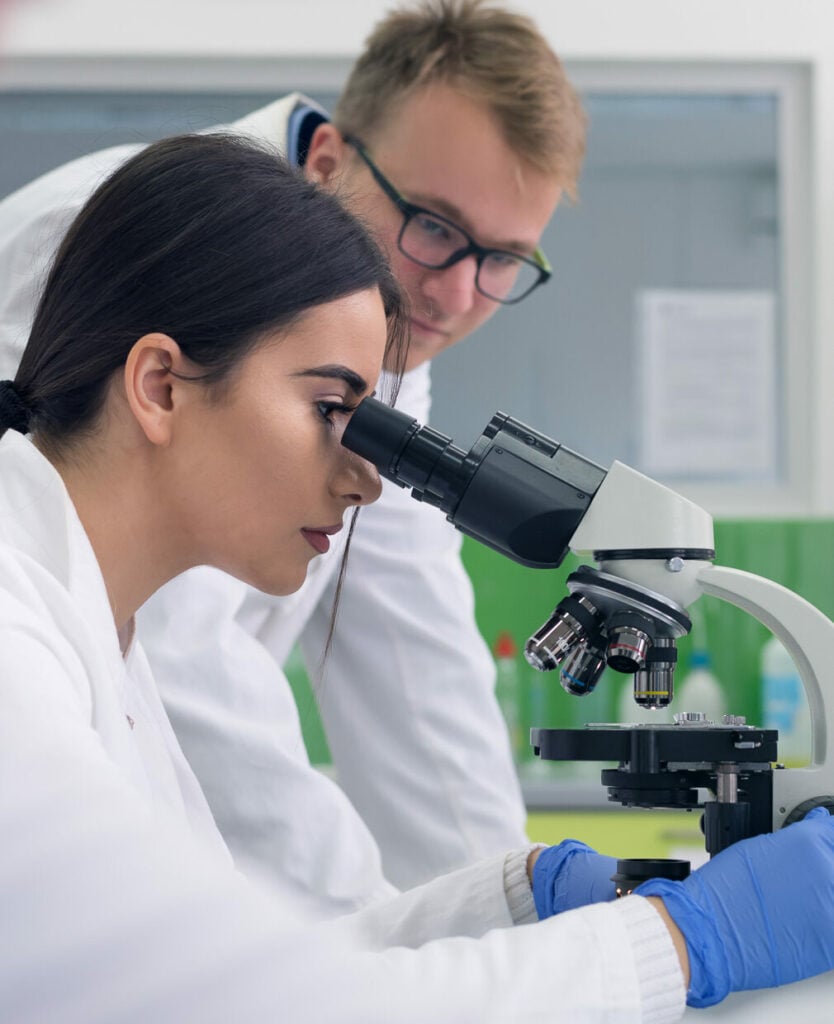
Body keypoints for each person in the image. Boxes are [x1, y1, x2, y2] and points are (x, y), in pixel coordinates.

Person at [3, 130, 834, 1023]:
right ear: (162, 386)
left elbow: (240, 974)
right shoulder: (16, 643)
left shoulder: (98, 634)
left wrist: (516, 894)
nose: (365, 480)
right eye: (330, 409)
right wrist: (682, 941)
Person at [0, 0, 585, 906]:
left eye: (502, 261)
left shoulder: (371, 315)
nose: (457, 292)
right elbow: (176, 647)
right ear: (328, 159)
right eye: (434, 227)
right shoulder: (144, 241)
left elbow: (413, 662)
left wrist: (514, 896)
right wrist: (369, 944)